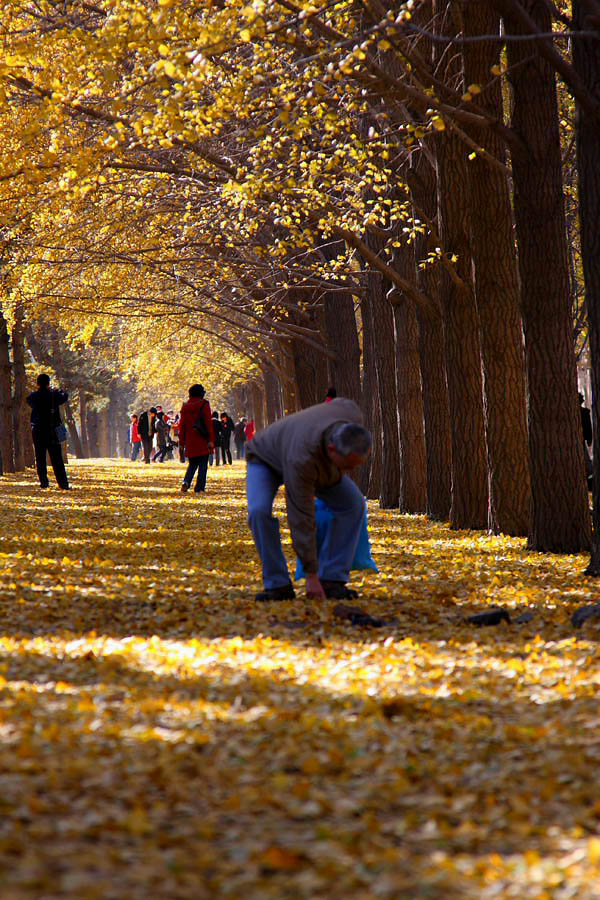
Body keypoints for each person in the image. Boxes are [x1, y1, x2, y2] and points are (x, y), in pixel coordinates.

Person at [246, 397, 371, 602]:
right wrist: (311, 576)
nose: (351, 470)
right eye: (348, 464)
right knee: (258, 512)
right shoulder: (302, 460)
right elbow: (301, 518)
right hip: (266, 458)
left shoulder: (351, 415)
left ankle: (333, 580)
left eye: (357, 464)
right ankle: (277, 584)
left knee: (353, 504)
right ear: (333, 450)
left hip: (316, 459)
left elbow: (342, 402)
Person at [26, 373, 70, 490]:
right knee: (57, 459)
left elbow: (28, 400)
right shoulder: (54, 395)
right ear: (49, 383)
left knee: (40, 458)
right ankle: (63, 484)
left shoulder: (34, 396)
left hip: (38, 430)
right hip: (53, 430)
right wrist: (56, 389)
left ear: (37, 383)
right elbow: (65, 396)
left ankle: (44, 483)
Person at [178, 384, 215, 493]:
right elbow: (208, 423)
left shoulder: (185, 407)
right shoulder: (204, 404)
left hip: (190, 440)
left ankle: (186, 481)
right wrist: (211, 440)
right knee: (203, 465)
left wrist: (182, 442)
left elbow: (182, 425)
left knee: (192, 464)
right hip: (202, 439)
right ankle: (199, 487)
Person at [580, 392, 593, 489]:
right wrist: (589, 439)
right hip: (581, 440)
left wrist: (589, 438)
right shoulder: (585, 412)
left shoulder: (584, 412)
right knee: (586, 462)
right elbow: (588, 428)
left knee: (587, 462)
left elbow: (588, 428)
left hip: (581, 440)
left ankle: (589, 479)